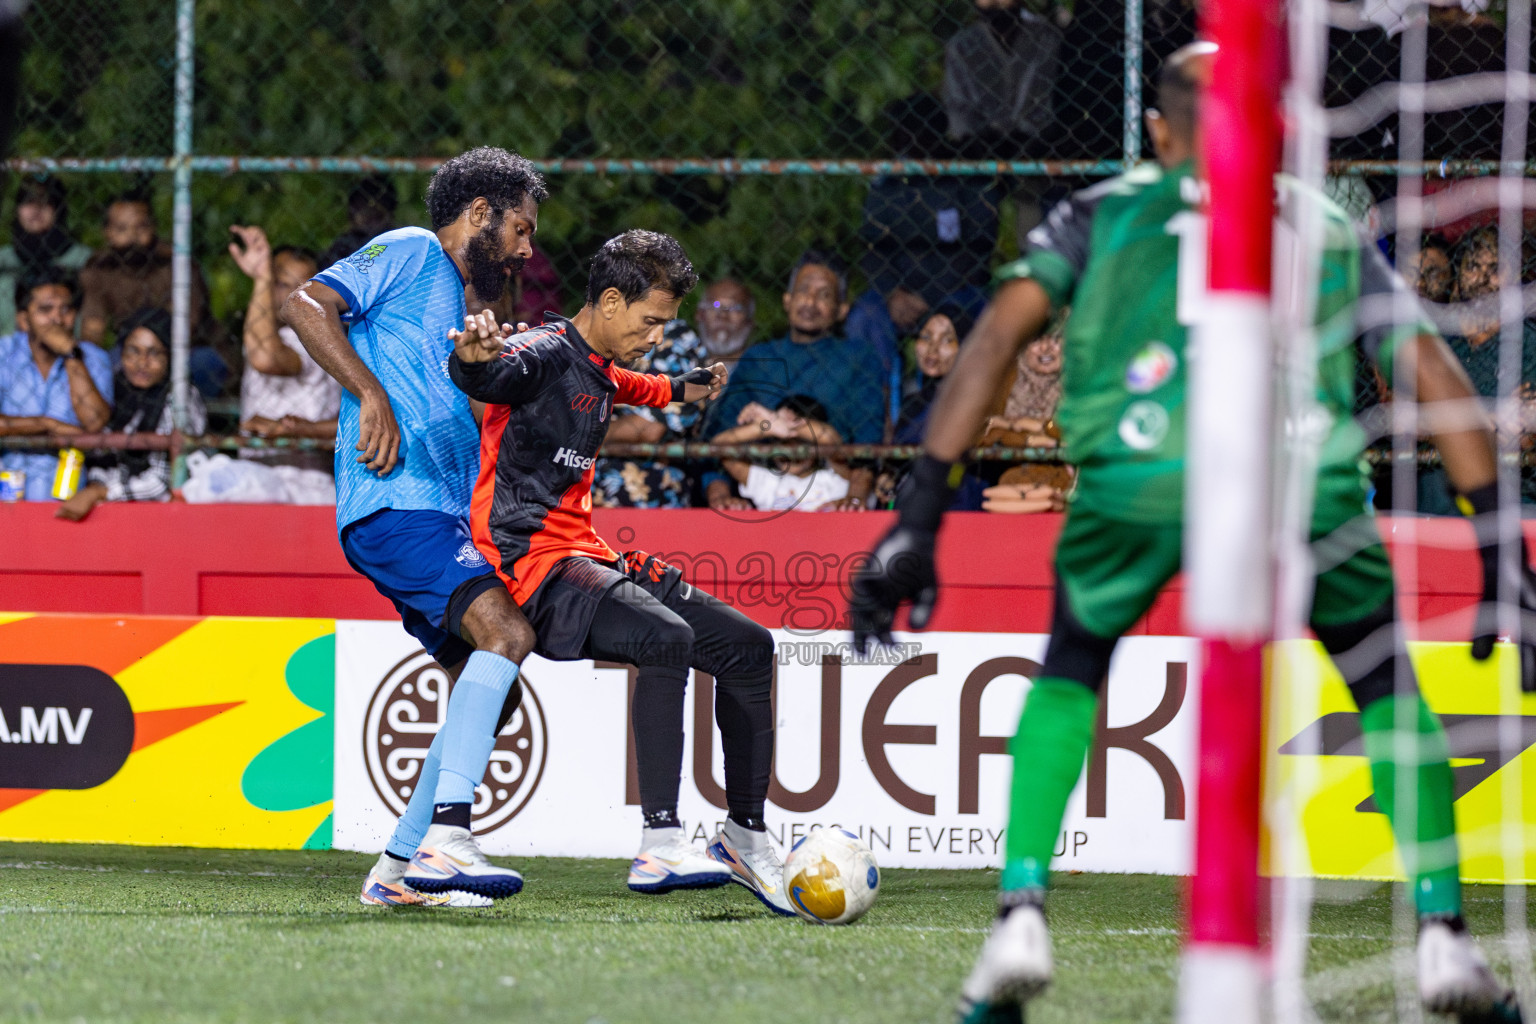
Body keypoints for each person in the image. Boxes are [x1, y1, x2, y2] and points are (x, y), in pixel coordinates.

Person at [850, 43, 1525, 1023]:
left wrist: (917, 518)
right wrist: (1500, 542)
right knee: (1382, 679)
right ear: (1276, 126)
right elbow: (1425, 365)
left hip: (1140, 477)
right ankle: (1441, 936)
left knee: (1073, 664)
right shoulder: (1328, 219)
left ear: (1157, 128)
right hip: (1302, 477)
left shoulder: (1099, 211)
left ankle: (1021, 913)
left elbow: (996, 339)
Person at [447, 229, 791, 916]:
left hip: (591, 555)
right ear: (608, 301)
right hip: (530, 566)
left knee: (750, 648)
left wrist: (687, 389)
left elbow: (645, 386)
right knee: (664, 637)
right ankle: (660, 840)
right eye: (651, 320)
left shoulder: (601, 367)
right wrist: (472, 360)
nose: (658, 334)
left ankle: (743, 838)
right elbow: (488, 373)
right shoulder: (540, 353)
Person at [281, 147, 547, 907]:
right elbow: (305, 304)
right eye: (521, 228)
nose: (528, 248)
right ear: (478, 215)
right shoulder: (409, 250)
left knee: (489, 687)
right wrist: (370, 393)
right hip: (396, 501)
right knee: (507, 637)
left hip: (437, 513)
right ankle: (447, 842)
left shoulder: (476, 315)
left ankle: (396, 874)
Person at [706, 252, 883, 510]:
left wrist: (855, 499)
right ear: (787, 300)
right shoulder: (759, 358)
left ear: (841, 309)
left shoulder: (858, 359)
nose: (810, 302)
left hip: (835, 494)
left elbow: (869, 443)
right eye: (803, 291)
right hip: (763, 494)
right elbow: (720, 435)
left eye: (823, 295)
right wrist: (719, 495)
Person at [55, 308, 207, 521]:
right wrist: (97, 486)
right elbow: (103, 458)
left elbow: (161, 484)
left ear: (171, 356)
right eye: (133, 351)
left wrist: (101, 492)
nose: (141, 363)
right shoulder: (119, 388)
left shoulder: (179, 399)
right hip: (116, 502)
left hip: (160, 514)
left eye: (154, 353)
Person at [77, 192, 228, 396]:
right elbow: (93, 327)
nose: (133, 236)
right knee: (100, 364)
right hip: (129, 352)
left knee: (204, 363)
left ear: (153, 227)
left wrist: (148, 355)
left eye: (141, 227)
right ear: (108, 233)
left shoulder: (176, 263)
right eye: (122, 228)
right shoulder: (100, 269)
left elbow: (186, 326)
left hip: (186, 350)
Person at [228, 226, 340, 479]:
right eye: (281, 284)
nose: (290, 296)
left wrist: (262, 278)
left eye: (302, 288)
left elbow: (265, 357)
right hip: (259, 473)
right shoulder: (268, 333)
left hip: (300, 479)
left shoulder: (317, 338)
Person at [0, 268, 112, 501]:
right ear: (23, 319)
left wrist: (72, 355)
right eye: (45, 309)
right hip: (7, 493)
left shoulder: (93, 359)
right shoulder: (4, 354)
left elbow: (94, 422)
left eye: (66, 310)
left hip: (68, 496)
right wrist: (46, 424)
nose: (57, 320)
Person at [714, 395, 852, 512]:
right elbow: (718, 446)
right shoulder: (767, 482)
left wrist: (789, 426)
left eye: (801, 443)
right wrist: (767, 426)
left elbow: (829, 439)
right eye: (783, 441)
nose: (791, 453)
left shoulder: (833, 478)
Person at [0, 175, 92, 336]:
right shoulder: (4, 259)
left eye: (46, 202)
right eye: (28, 202)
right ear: (17, 210)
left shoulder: (82, 259)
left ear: (59, 209)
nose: (36, 209)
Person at [320, 174, 398, 270]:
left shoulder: (397, 242)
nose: (370, 214)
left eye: (376, 215)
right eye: (361, 207)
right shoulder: (345, 245)